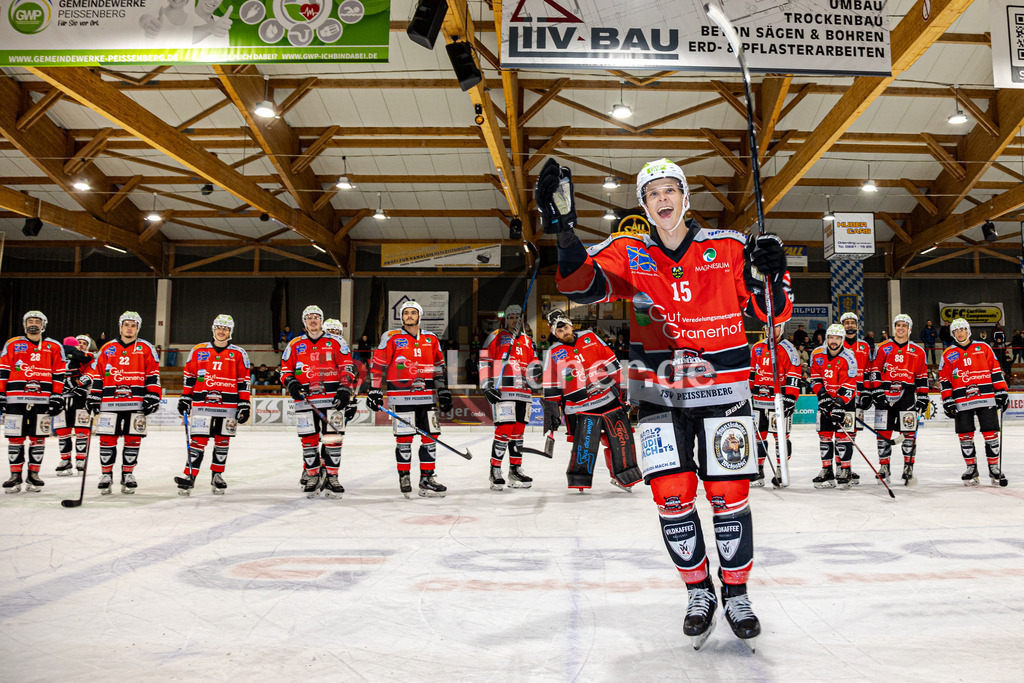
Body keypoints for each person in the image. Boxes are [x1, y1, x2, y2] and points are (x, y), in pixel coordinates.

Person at [538, 156, 792, 650]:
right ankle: (699, 592)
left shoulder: (729, 246)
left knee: (728, 497)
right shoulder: (627, 249)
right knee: (672, 498)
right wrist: (566, 237)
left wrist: (773, 273)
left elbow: (773, 311)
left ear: (685, 196)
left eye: (670, 189)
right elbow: (583, 285)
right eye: (652, 193)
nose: (662, 199)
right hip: (657, 394)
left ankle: (736, 594)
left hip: (725, 394)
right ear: (644, 205)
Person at [541, 309, 640, 492]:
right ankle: (580, 480)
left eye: (565, 327)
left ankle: (623, 476)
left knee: (619, 439)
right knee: (584, 444)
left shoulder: (590, 337)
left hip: (607, 399)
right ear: (554, 333)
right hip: (579, 406)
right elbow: (551, 385)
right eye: (559, 330)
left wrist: (622, 387)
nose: (564, 332)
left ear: (570, 324)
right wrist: (552, 410)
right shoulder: (553, 353)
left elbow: (611, 362)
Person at [367, 301, 451, 498]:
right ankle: (404, 476)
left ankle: (427, 478)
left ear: (419, 316)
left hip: (427, 396)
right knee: (404, 439)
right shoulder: (391, 337)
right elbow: (378, 365)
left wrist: (443, 390)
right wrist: (374, 390)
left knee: (431, 437)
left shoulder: (431, 338)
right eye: (406, 313)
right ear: (401, 317)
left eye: (413, 313)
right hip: (401, 396)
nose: (410, 316)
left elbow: (439, 366)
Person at [280, 306, 357, 498]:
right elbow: (284, 370)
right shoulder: (295, 344)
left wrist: (344, 389)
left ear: (321, 320)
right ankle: (313, 475)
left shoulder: (337, 341)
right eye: (309, 318)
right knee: (309, 441)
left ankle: (332, 477)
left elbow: (347, 367)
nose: (313, 320)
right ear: (304, 321)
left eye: (316, 317)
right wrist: (291, 383)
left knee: (333, 440)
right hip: (306, 402)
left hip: (332, 401)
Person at [174, 315, 252, 495]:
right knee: (197, 441)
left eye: (225, 328)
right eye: (219, 327)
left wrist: (244, 403)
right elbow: (189, 376)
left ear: (230, 331)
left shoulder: (239, 353)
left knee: (222, 441)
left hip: (229, 406)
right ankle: (190, 475)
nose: (222, 331)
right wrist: (185, 397)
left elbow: (243, 380)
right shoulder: (199, 350)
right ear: (213, 329)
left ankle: (217, 475)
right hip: (202, 404)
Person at [88, 311, 162, 495]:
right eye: (126, 325)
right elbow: (98, 374)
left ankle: (128, 474)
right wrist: (94, 395)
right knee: (107, 440)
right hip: (109, 403)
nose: (129, 328)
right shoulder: (107, 348)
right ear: (120, 326)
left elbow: (152, 374)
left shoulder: (146, 348)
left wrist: (152, 395)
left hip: (136, 403)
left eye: (133, 325)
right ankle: (106, 474)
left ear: (138, 328)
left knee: (133, 439)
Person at [0, 311, 66, 493]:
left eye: (37, 321)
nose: (33, 324)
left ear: (43, 325)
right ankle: (15, 475)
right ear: (24, 324)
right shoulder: (13, 343)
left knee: (38, 438)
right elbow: (4, 369)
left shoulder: (54, 346)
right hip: (15, 399)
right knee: (15, 439)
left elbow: (59, 373)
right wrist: (1, 393)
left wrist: (56, 395)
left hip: (42, 401)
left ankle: (34, 474)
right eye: (30, 321)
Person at [939, 318, 1008, 486]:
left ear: (968, 331)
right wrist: (947, 399)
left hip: (985, 397)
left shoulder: (984, 347)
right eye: (956, 331)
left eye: (962, 329)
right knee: (965, 435)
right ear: (953, 334)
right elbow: (945, 379)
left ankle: (994, 468)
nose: (959, 333)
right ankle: (971, 468)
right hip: (961, 400)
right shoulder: (948, 353)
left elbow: (995, 370)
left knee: (991, 433)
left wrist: (1001, 391)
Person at [480, 304, 537, 490]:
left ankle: (515, 469)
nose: (514, 320)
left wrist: (537, 374)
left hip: (523, 392)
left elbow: (533, 364)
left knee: (518, 432)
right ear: (506, 319)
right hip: (503, 391)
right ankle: (495, 470)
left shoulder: (528, 341)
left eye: (517, 317)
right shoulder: (497, 335)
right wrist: (486, 386)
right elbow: (484, 360)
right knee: (504, 430)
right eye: (511, 317)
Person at [868, 314, 928, 485]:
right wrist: (876, 391)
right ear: (894, 328)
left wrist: (923, 396)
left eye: (904, 325)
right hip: (885, 395)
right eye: (898, 325)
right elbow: (875, 371)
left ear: (910, 328)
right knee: (882, 433)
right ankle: (884, 467)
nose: (900, 328)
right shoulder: (883, 347)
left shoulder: (918, 351)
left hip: (907, 395)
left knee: (908, 434)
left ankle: (908, 467)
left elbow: (922, 376)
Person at [748, 323, 800, 487]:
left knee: (781, 438)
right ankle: (758, 469)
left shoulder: (789, 349)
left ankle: (781, 470)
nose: (771, 330)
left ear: (782, 329)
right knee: (758, 436)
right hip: (758, 400)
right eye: (768, 327)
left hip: (778, 402)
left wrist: (791, 397)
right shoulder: (756, 348)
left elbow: (794, 373)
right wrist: (747, 392)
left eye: (776, 327)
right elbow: (751, 372)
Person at [809, 324, 858, 488]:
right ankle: (827, 470)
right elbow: (815, 378)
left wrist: (839, 403)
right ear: (826, 338)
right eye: (831, 337)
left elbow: (850, 385)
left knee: (844, 437)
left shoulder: (849, 357)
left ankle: (845, 470)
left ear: (842, 339)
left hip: (845, 403)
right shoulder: (817, 355)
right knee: (824, 435)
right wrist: (822, 395)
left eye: (837, 338)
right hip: (825, 401)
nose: (833, 341)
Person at [54, 335, 95, 476]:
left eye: (84, 343)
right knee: (62, 430)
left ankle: (80, 460)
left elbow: (93, 372)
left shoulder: (88, 357)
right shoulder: (65, 356)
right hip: (62, 397)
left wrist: (79, 383)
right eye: (79, 343)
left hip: (81, 398)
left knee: (81, 429)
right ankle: (65, 460)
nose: (82, 345)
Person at [840, 312, 874, 483]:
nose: (850, 325)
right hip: (841, 394)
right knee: (839, 431)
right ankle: (840, 468)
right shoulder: (836, 343)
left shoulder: (865, 346)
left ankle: (847, 466)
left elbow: (868, 371)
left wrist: (867, 392)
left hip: (858, 395)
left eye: (853, 322)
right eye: (847, 323)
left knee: (851, 433)